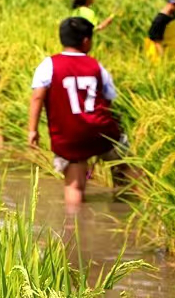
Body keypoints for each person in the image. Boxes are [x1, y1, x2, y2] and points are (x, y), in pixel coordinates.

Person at [28, 17, 127, 207]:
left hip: (69, 134)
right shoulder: (96, 66)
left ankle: (74, 229)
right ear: (86, 41)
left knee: (74, 187)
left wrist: (32, 129)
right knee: (127, 167)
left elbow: (37, 97)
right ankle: (129, 204)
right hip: (101, 130)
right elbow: (109, 99)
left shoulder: (48, 65)